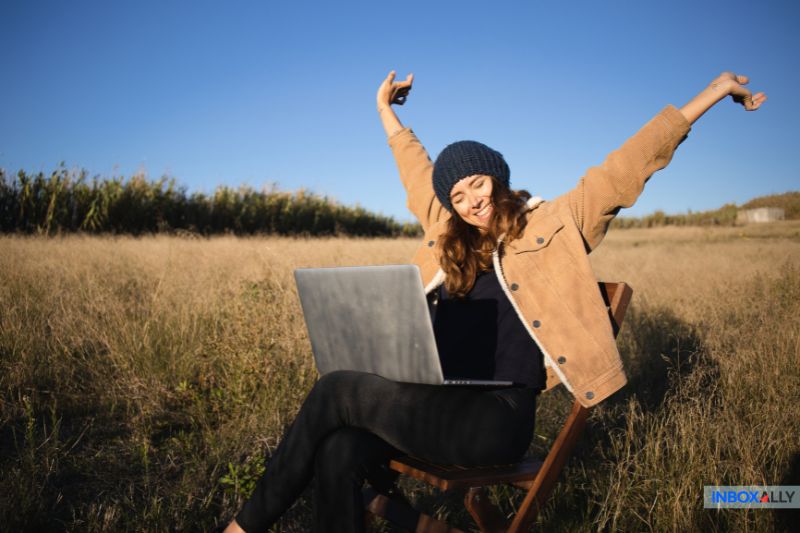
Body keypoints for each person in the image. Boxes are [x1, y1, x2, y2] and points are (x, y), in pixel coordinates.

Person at [222, 70, 766, 532]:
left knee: (337, 388)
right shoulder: (448, 234)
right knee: (339, 448)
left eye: (476, 183)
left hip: (495, 420)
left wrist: (714, 93)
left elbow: (628, 166)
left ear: (497, 176)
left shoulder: (553, 223)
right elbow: (417, 172)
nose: (470, 200)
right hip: (439, 403)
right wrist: (384, 110)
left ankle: (243, 526)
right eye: (457, 195)